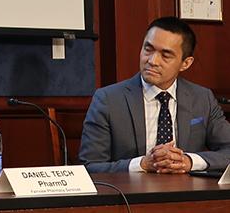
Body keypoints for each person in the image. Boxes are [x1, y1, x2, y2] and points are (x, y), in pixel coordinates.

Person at [79, 16, 230, 173]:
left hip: (187, 193)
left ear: (186, 63)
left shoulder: (202, 98)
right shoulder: (108, 99)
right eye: (148, 49)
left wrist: (189, 161)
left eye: (165, 55)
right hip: (131, 194)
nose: (152, 60)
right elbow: (90, 166)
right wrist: (142, 164)